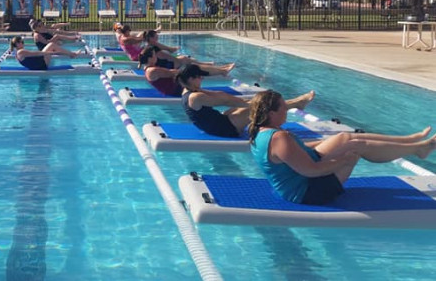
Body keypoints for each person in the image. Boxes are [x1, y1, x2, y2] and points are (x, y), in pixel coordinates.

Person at [247, 90, 436, 205]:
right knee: (355, 147)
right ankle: (417, 149)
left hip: (302, 176)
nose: (287, 110)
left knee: (344, 137)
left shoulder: (261, 132)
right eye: (283, 107)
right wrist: (345, 160)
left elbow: (295, 151)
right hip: (308, 191)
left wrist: (326, 142)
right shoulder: (278, 137)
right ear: (272, 113)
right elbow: (312, 171)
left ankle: (410, 140)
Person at [178, 64, 314, 138]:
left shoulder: (188, 90)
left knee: (252, 103)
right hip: (225, 129)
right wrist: (251, 104)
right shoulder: (195, 97)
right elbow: (225, 101)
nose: (202, 79)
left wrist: (248, 101)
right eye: (200, 77)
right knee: (263, 105)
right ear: (191, 79)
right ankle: (297, 103)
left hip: (219, 122)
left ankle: (295, 103)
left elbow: (219, 94)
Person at [138, 47, 233, 97]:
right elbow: (173, 73)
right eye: (154, 56)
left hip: (175, 87)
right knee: (194, 68)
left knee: (191, 66)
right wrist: (187, 69)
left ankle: (221, 70)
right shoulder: (152, 70)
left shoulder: (148, 68)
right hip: (176, 90)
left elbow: (172, 72)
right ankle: (222, 71)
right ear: (150, 58)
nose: (156, 57)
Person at [10, 35, 82, 70]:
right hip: (41, 65)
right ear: (17, 44)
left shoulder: (17, 53)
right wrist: (51, 53)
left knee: (52, 46)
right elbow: (37, 54)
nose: (23, 43)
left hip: (38, 65)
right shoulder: (21, 52)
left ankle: (71, 54)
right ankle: (72, 54)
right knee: (52, 45)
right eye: (22, 42)